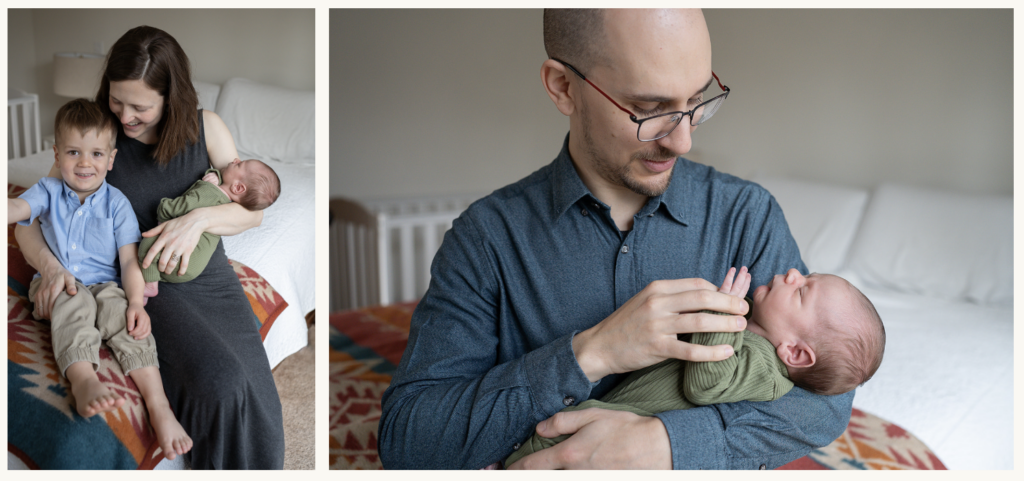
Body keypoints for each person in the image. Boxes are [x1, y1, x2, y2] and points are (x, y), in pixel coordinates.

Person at [378, 9, 855, 470]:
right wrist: (592, 352)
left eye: (696, 100)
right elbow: (409, 441)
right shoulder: (487, 238)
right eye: (649, 109)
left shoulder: (745, 216)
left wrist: (665, 446)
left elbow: (826, 401)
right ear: (563, 87)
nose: (683, 140)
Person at [15, 26, 284, 469]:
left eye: (140, 106)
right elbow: (32, 217)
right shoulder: (98, 136)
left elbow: (252, 213)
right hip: (144, 280)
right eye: (117, 100)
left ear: (170, 96)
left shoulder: (207, 127)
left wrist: (196, 220)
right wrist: (53, 267)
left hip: (210, 278)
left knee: (257, 389)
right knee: (222, 384)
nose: (125, 116)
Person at [505, 266, 885, 465]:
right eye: (807, 275)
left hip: (629, 418)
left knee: (569, 433)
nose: (792, 274)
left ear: (796, 354)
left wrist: (717, 313)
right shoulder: (757, 333)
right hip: (623, 404)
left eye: (802, 290)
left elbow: (705, 384)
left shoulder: (766, 369)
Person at [7, 99, 192, 461]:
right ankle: (84, 380)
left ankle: (159, 406)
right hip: (63, 282)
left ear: (111, 159)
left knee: (126, 322)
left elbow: (128, 261)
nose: (84, 163)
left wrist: (136, 302)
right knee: (72, 307)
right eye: (74, 152)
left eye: (95, 153)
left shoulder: (117, 204)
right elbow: (16, 210)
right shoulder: (47, 190)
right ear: (57, 154)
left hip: (108, 285)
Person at [139, 158, 281, 299]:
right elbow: (222, 181)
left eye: (239, 164)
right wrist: (215, 175)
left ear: (238, 188)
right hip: (192, 267)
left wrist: (164, 206)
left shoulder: (208, 193)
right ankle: (155, 278)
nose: (235, 159)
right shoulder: (226, 203)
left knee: (148, 245)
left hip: (181, 259)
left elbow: (180, 207)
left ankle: (150, 285)